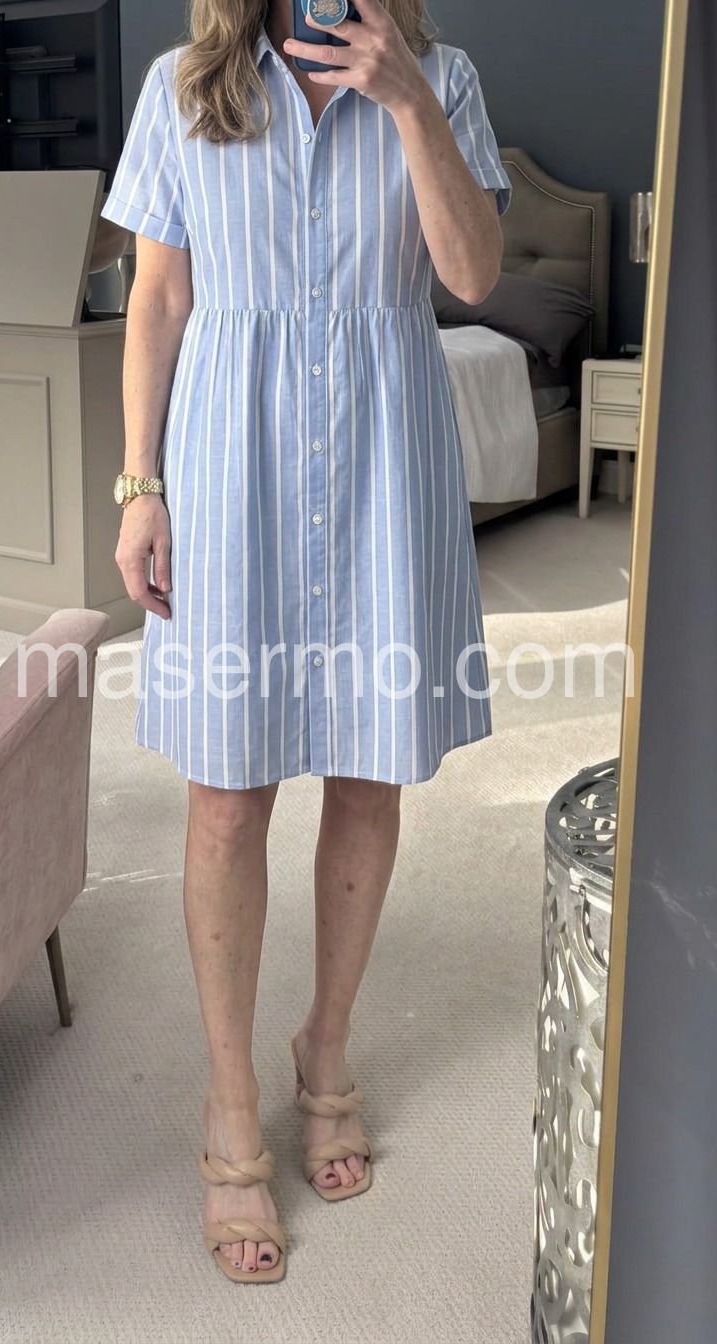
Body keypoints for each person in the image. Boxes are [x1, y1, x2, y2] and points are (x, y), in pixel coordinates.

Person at [101, 0, 511, 1285]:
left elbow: (472, 276)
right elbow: (158, 298)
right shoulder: (185, 86)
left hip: (386, 467)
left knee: (368, 774)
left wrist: (408, 102)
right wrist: (139, 484)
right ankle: (231, 1101)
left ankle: (324, 1048)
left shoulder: (442, 78)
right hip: (229, 473)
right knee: (226, 798)